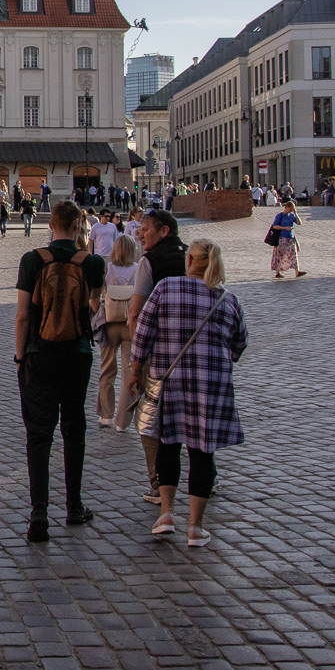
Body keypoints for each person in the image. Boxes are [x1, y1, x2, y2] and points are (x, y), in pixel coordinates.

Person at [122, 240, 247, 548]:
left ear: (189, 259)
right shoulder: (228, 300)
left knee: (168, 445)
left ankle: (166, 514)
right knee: (202, 453)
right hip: (211, 386)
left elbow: (143, 334)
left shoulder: (165, 288)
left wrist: (135, 370)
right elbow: (239, 343)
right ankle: (196, 526)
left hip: (169, 381)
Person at [13, 200, 105, 543]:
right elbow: (93, 306)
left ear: (50, 224)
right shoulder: (92, 262)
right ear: (80, 225)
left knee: (38, 433)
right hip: (77, 352)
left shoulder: (32, 260)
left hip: (39, 351)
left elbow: (23, 315)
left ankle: (39, 511)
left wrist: (21, 356)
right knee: (73, 428)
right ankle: (74, 505)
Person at [122, 209, 189, 503]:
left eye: (146, 230)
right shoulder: (193, 255)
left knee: (150, 418)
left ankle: (157, 484)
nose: (140, 235)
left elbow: (136, 313)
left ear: (164, 231)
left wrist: (137, 361)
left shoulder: (149, 262)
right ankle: (206, 478)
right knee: (194, 413)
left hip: (159, 355)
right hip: (192, 351)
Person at [95, 234, 140, 427]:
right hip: (130, 324)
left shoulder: (108, 269)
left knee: (107, 370)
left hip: (110, 323)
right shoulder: (138, 269)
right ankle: (123, 420)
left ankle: (106, 415)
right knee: (128, 373)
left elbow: (96, 296)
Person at [267, 200, 305, 278]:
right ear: (286, 207)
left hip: (291, 238)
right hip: (282, 237)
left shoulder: (292, 215)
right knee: (280, 255)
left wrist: (296, 213)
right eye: (290, 209)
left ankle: (297, 272)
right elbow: (275, 226)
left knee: (294, 255)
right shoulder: (280, 215)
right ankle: (278, 272)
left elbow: (299, 223)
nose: (291, 210)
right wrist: (285, 228)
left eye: (292, 209)